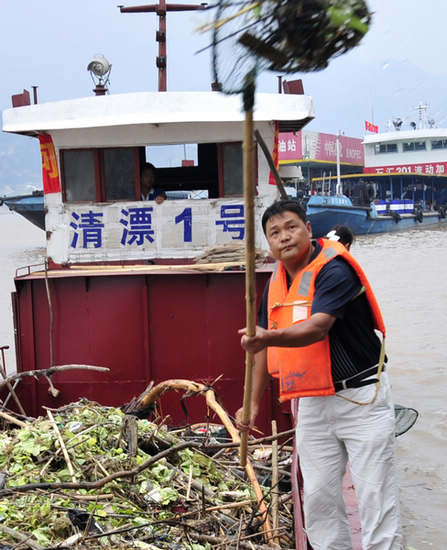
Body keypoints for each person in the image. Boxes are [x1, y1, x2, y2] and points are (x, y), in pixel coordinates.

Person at [236, 199, 403, 549]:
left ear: (308, 230)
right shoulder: (276, 283)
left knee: (376, 498)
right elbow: (262, 349)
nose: (284, 238)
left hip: (360, 397)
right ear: (268, 243)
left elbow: (317, 327)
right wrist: (250, 406)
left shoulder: (334, 270)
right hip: (313, 402)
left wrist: (269, 336)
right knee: (319, 499)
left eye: (291, 227)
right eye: (274, 233)